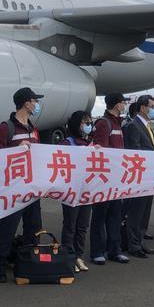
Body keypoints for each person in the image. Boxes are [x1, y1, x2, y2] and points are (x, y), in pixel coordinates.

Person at [0, 87, 43, 282]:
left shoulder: (32, 128)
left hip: (32, 187)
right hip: (12, 188)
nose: (37, 105)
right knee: (7, 228)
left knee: (34, 227)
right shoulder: (7, 127)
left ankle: (28, 262)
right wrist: (15, 149)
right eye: (35, 101)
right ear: (26, 103)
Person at [90, 93, 129, 265]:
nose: (124, 105)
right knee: (100, 216)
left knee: (115, 215)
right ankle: (97, 251)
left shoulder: (117, 123)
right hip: (105, 179)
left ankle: (114, 250)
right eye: (122, 103)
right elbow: (101, 153)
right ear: (116, 104)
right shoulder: (103, 123)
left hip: (116, 178)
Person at [122, 94, 154, 258]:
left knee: (145, 212)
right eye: (152, 106)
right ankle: (134, 245)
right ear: (142, 107)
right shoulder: (133, 126)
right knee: (136, 213)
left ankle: (140, 241)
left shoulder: (147, 126)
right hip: (140, 176)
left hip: (149, 176)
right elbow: (134, 151)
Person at [61, 111, 95, 271]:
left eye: (90, 123)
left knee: (82, 226)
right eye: (86, 123)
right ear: (77, 124)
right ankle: (68, 257)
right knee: (70, 225)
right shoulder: (67, 143)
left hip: (87, 190)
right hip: (71, 191)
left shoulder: (91, 143)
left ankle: (78, 256)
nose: (89, 126)